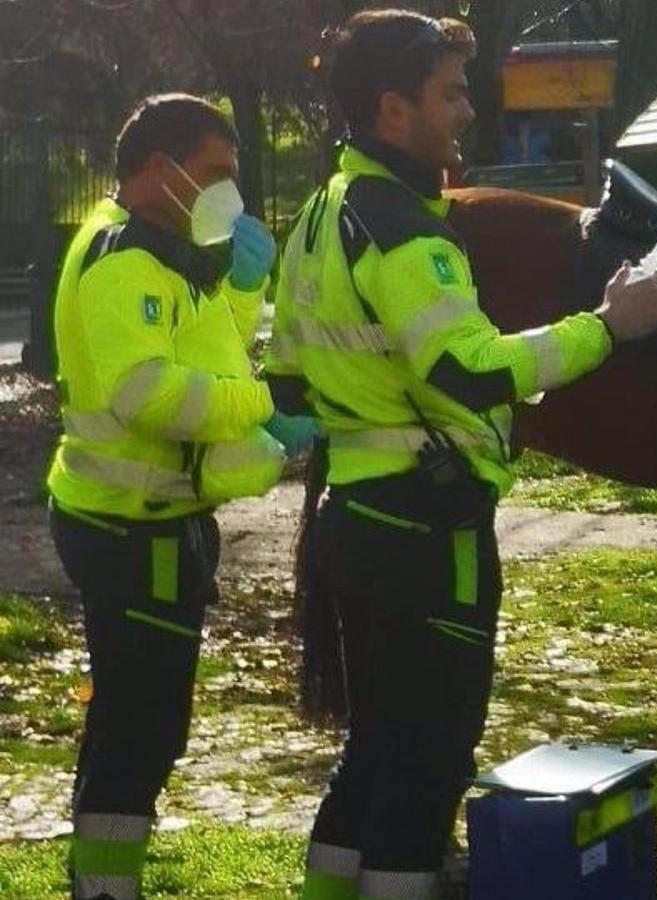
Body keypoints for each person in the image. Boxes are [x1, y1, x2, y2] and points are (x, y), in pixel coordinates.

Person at [264, 11, 657, 899]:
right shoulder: (406, 229)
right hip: (427, 537)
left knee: (373, 752)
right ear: (391, 110)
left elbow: (288, 384)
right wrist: (609, 326)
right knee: (429, 764)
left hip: (355, 524)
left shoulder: (316, 215)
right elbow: (471, 368)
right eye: (449, 93)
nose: (466, 112)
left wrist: (369, 401)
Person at [46, 94, 317, 900]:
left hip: (158, 525)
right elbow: (150, 395)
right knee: (138, 730)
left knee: (147, 725)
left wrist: (240, 289)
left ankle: (103, 881)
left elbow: (214, 352)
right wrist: (267, 407)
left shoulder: (167, 247)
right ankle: (102, 887)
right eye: (215, 173)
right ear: (159, 170)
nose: (227, 192)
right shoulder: (125, 257)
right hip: (131, 531)